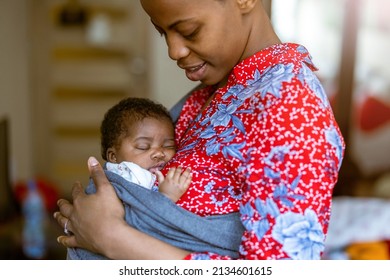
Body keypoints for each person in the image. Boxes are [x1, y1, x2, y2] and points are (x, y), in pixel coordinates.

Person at [54, 0, 345, 260]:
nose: (173, 50)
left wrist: (112, 238)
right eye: (162, 32)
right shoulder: (226, 88)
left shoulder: (292, 107)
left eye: (189, 30)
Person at [67, 97, 244, 259]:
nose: (159, 153)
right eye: (144, 146)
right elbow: (132, 219)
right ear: (113, 156)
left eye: (168, 145)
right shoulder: (124, 175)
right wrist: (165, 198)